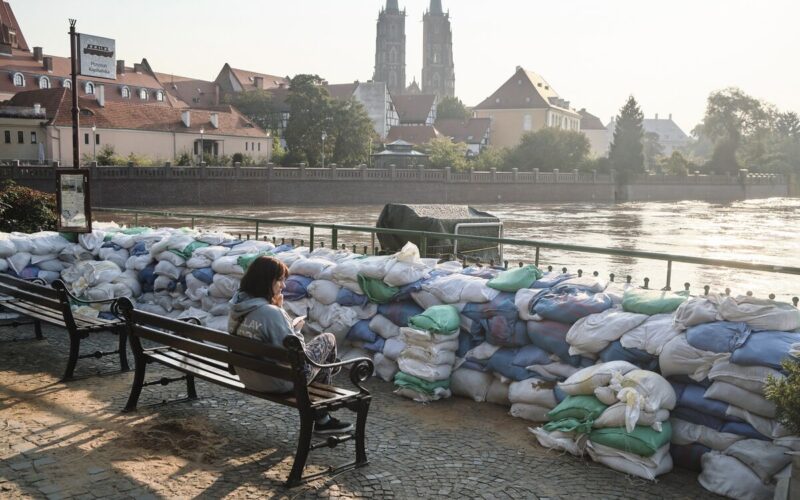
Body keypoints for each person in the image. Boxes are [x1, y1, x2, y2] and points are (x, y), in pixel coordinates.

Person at [228, 255, 352, 434]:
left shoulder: (236, 306)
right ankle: (323, 419)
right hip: (277, 382)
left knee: (323, 362)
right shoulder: (270, 313)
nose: (283, 286)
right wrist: (296, 329)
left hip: (248, 376)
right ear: (266, 281)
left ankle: (324, 411)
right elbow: (297, 354)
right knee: (328, 340)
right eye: (279, 280)